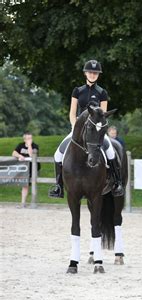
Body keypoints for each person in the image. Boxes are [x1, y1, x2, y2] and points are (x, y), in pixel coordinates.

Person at [48, 60, 124, 198]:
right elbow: (72, 112)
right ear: (85, 73)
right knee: (57, 155)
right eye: (90, 72)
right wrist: (74, 126)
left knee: (111, 151)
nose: (93, 75)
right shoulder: (77, 91)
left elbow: (103, 114)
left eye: (95, 73)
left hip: (96, 130)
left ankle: (117, 182)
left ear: (98, 75)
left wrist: (99, 128)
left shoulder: (102, 92)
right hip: (78, 129)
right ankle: (58, 186)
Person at [12, 131, 39, 208]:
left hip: (33, 168)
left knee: (33, 184)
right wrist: (19, 155)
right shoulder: (20, 145)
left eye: (30, 138)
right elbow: (13, 153)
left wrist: (29, 145)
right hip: (24, 169)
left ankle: (33, 202)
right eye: (27, 138)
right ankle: (23, 203)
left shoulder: (35, 146)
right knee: (25, 185)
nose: (29, 140)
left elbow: (31, 154)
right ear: (24, 139)